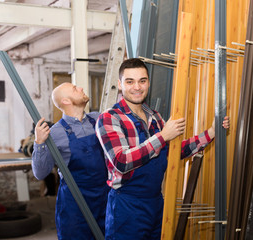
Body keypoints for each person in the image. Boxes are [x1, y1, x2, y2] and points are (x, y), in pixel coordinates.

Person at [95, 58, 230, 240]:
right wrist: (163, 136)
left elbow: (174, 151)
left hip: (155, 203)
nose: (137, 87)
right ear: (120, 84)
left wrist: (211, 132)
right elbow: (121, 161)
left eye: (142, 81)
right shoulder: (110, 118)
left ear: (148, 83)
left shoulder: (154, 116)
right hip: (126, 205)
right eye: (130, 81)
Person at [32, 82, 110, 240]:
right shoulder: (55, 133)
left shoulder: (98, 119)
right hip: (75, 204)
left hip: (104, 199)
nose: (81, 88)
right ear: (66, 101)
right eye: (75, 89)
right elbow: (40, 173)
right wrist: (39, 143)